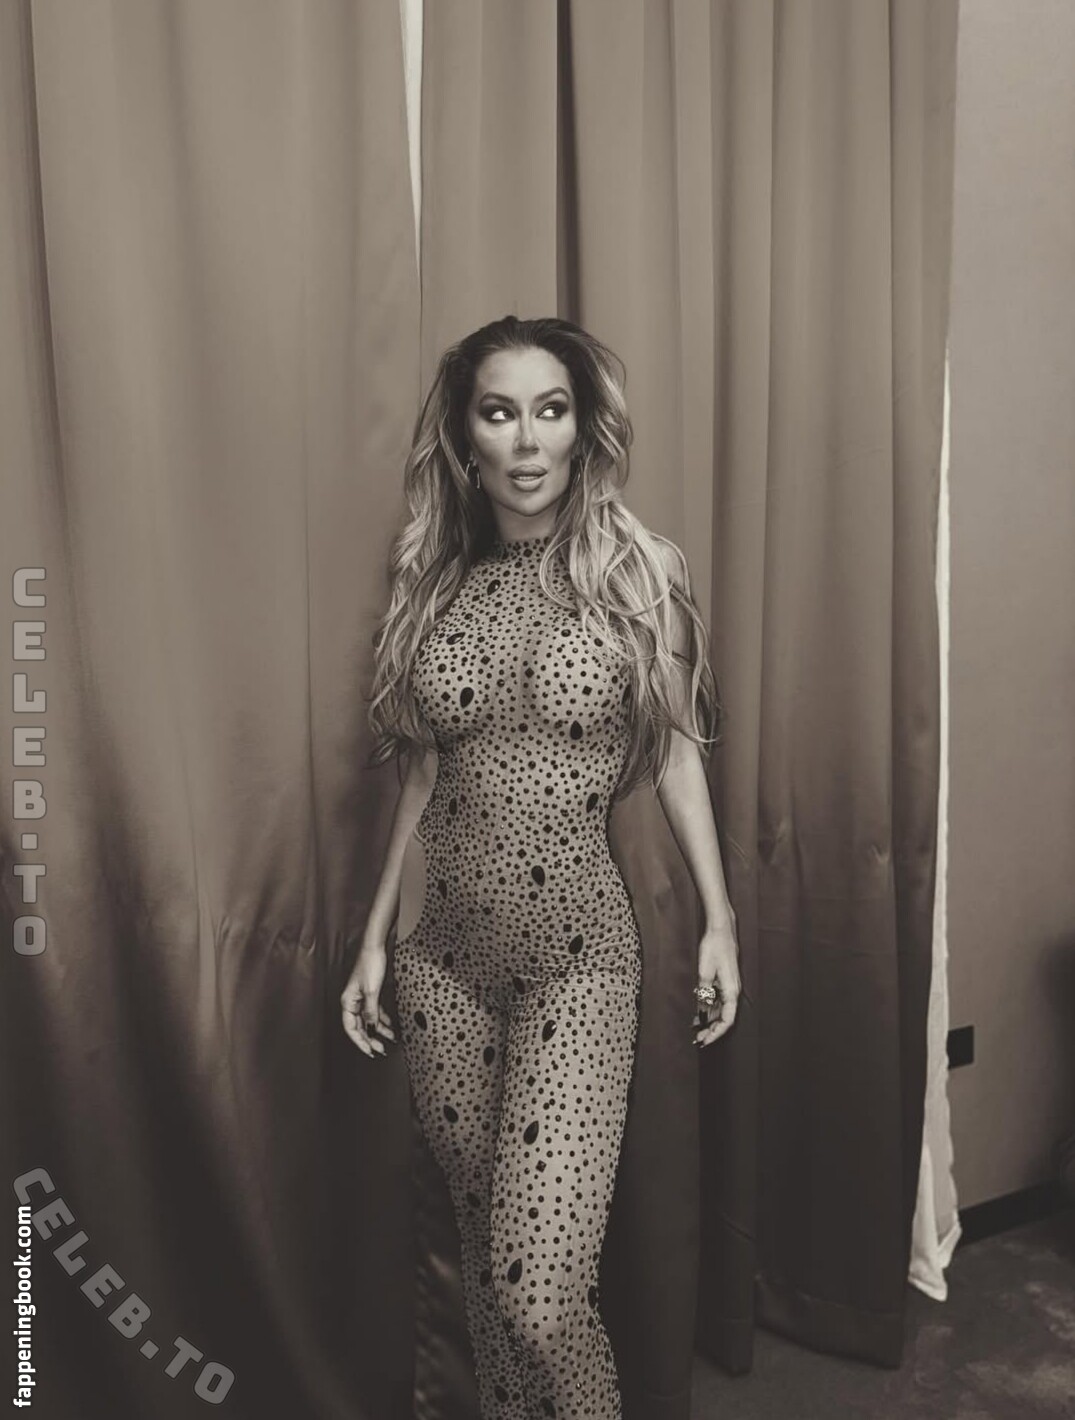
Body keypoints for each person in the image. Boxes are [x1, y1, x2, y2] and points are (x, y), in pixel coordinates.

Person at [342, 315, 740, 1419]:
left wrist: (719, 921)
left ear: (580, 428)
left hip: (578, 960)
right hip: (438, 962)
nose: (526, 440)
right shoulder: (432, 583)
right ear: (466, 436)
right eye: (500, 412)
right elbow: (421, 778)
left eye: (550, 411)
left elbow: (676, 756)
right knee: (484, 1257)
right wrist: (374, 941)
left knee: (538, 1292)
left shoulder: (638, 571)